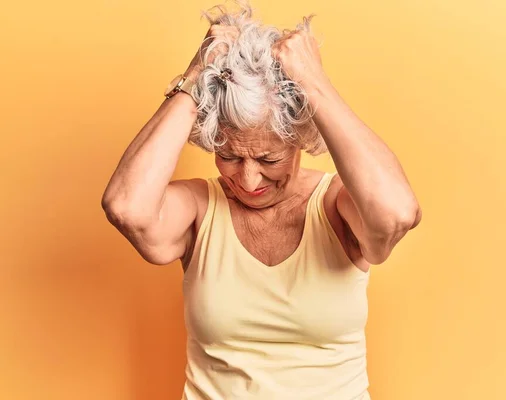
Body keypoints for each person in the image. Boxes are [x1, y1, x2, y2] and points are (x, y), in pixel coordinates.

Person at [101, 1, 421, 399]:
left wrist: (312, 80)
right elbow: (126, 207)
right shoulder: (200, 209)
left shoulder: (337, 204)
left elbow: (396, 214)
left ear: (300, 139)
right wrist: (195, 76)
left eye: (269, 158)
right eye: (230, 156)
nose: (248, 179)